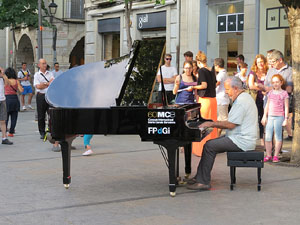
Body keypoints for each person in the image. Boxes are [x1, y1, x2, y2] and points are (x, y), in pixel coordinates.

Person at [186, 77, 258, 190]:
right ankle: (199, 177)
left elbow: (230, 124)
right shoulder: (244, 97)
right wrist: (211, 124)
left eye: (227, 89)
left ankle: (203, 182)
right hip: (239, 137)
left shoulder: (241, 102)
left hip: (242, 141)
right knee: (210, 144)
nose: (226, 92)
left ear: (235, 88)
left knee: (210, 146)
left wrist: (210, 124)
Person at [188, 51, 218, 157]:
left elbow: (204, 85)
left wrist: (193, 87)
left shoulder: (202, 71)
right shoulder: (212, 70)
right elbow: (214, 83)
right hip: (213, 100)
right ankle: (213, 149)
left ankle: (202, 150)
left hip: (205, 100)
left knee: (203, 124)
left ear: (199, 62)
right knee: (213, 124)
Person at [259, 50, 293, 140]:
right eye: (270, 62)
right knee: (268, 129)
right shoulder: (270, 71)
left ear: (280, 60)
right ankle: (268, 150)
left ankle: (277, 151)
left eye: (273, 61)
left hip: (280, 107)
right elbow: (266, 86)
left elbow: (289, 89)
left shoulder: (289, 71)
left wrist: (272, 89)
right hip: (268, 103)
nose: (271, 64)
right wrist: (263, 89)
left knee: (278, 131)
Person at [261, 74, 289, 163]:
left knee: (278, 136)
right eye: (273, 82)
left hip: (279, 117)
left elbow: (286, 107)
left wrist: (286, 119)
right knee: (268, 137)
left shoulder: (284, 93)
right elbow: (267, 105)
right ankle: (268, 155)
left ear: (281, 82)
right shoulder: (270, 93)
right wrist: (264, 116)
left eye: (277, 82)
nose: (275, 84)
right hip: (270, 117)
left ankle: (276, 155)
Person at [248, 54, 268, 146]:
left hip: (267, 99)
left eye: (262, 62)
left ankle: (265, 139)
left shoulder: (268, 72)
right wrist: (262, 89)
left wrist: (263, 88)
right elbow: (251, 85)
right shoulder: (253, 72)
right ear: (256, 63)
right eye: (258, 62)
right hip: (256, 99)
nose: (260, 64)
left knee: (265, 119)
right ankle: (256, 139)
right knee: (256, 119)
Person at [4, 68, 23, 137]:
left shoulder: (5, 81)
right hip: (15, 99)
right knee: (14, 117)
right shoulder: (16, 81)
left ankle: (4, 132)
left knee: (6, 117)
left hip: (7, 99)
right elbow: (21, 90)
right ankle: (11, 132)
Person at [214, 58, 230, 137]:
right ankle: (217, 136)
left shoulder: (221, 74)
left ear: (217, 66)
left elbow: (217, 83)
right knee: (221, 120)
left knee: (223, 120)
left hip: (221, 99)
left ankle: (227, 135)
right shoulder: (225, 73)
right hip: (224, 99)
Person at [0, 67, 13, 145]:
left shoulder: (2, 78)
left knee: (3, 120)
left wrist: (3, 74)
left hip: (2, 100)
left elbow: (7, 83)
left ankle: (4, 138)